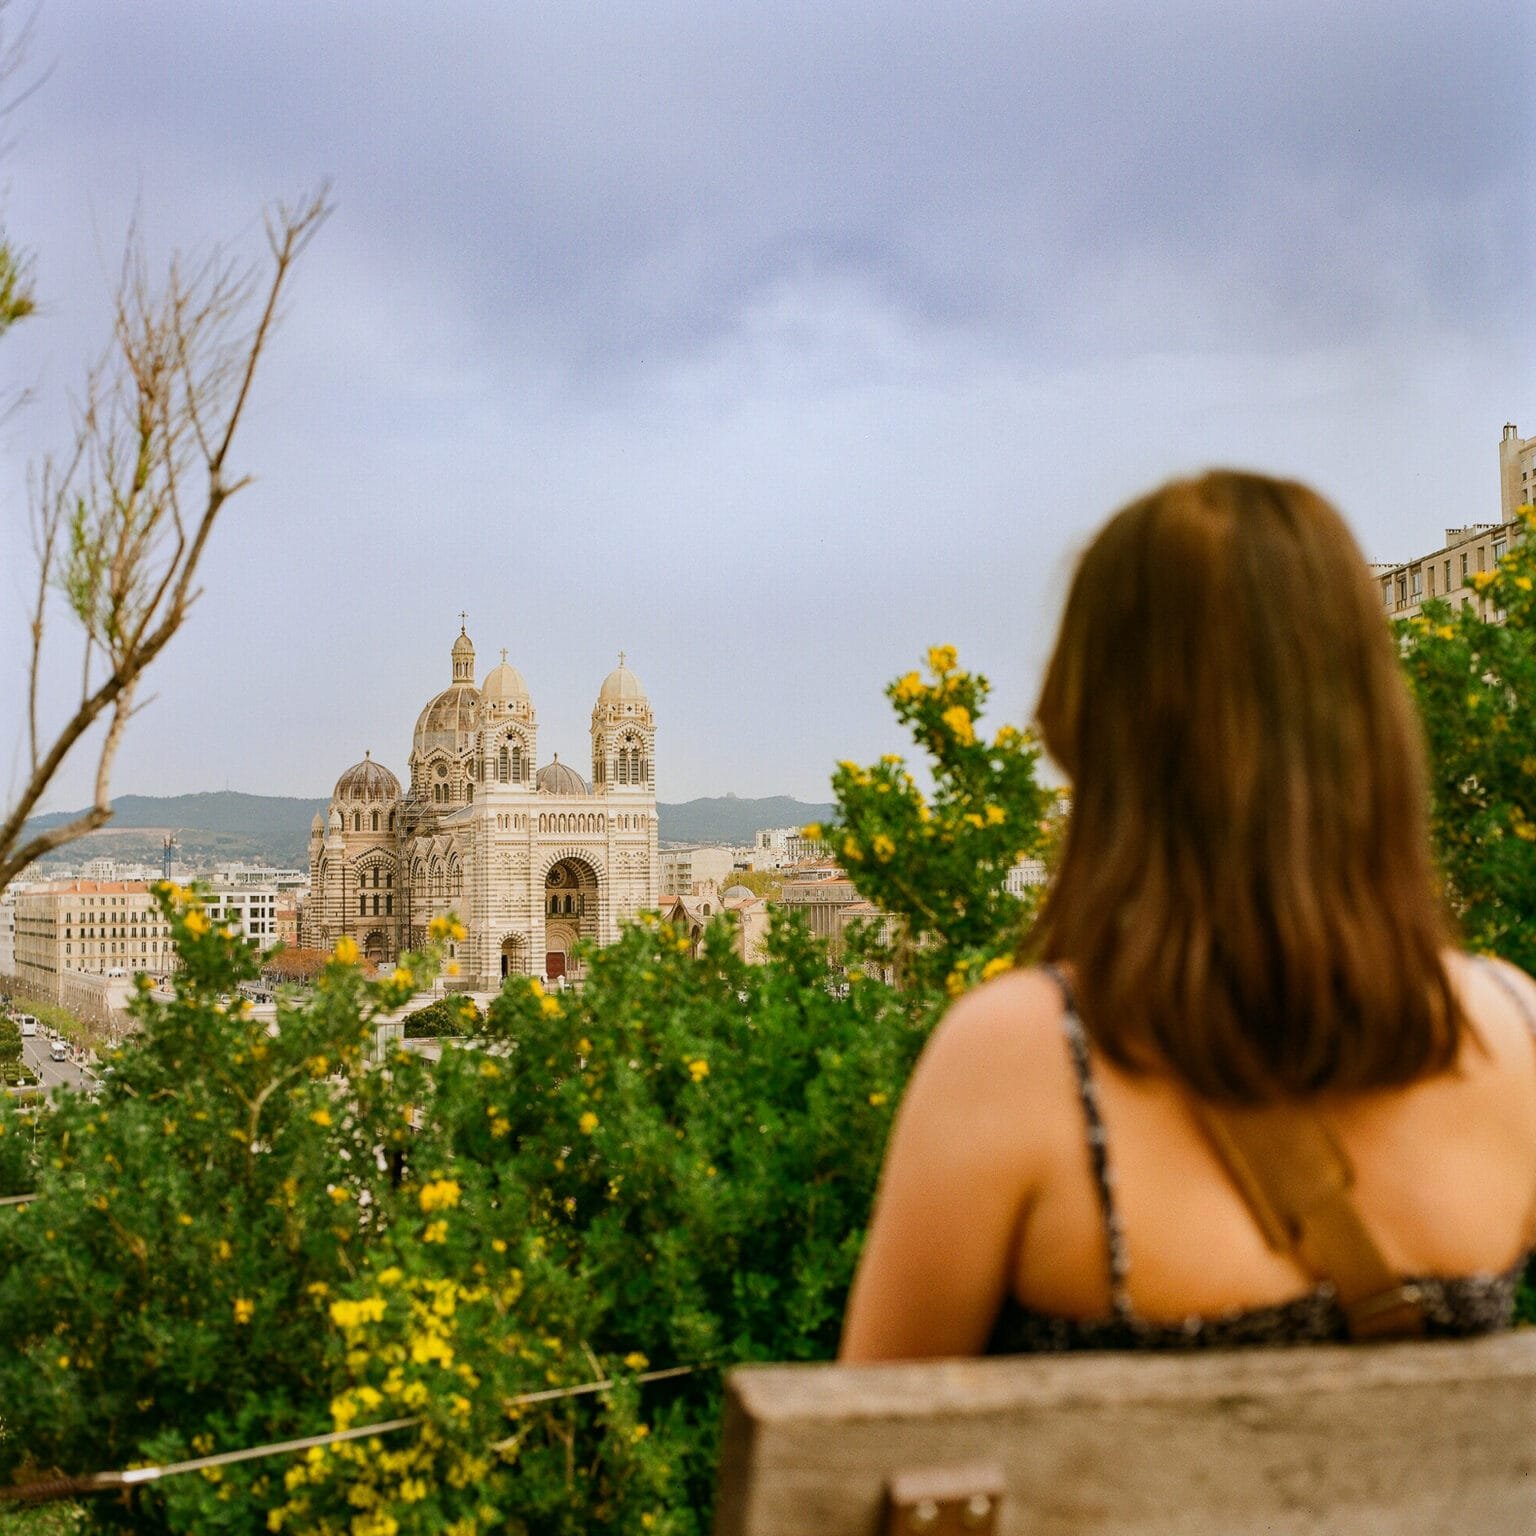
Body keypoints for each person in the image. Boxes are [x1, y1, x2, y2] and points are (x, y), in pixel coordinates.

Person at [841, 470, 1536, 1361]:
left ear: (1085, 725)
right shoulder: (1510, 1037)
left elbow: (864, 1471)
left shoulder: (1018, 1063)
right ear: (1377, 719)